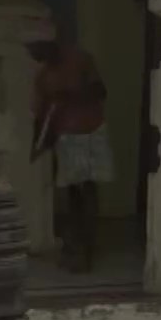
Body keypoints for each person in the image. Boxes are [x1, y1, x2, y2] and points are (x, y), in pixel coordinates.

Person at [27, 38, 111, 272]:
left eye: (35, 48)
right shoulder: (43, 76)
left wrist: (69, 95)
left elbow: (100, 91)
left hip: (90, 132)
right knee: (73, 194)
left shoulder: (80, 60)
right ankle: (77, 248)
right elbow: (40, 116)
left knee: (87, 191)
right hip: (65, 139)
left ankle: (86, 249)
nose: (32, 54)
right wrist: (38, 145)